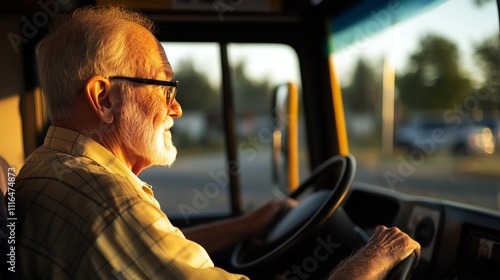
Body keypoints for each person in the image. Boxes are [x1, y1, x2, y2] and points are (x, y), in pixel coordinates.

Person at [14, 5, 420, 279]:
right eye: (164, 88)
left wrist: (247, 225)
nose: (177, 110)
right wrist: (376, 256)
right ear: (104, 98)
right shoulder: (107, 199)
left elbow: (158, 250)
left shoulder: (49, 166)